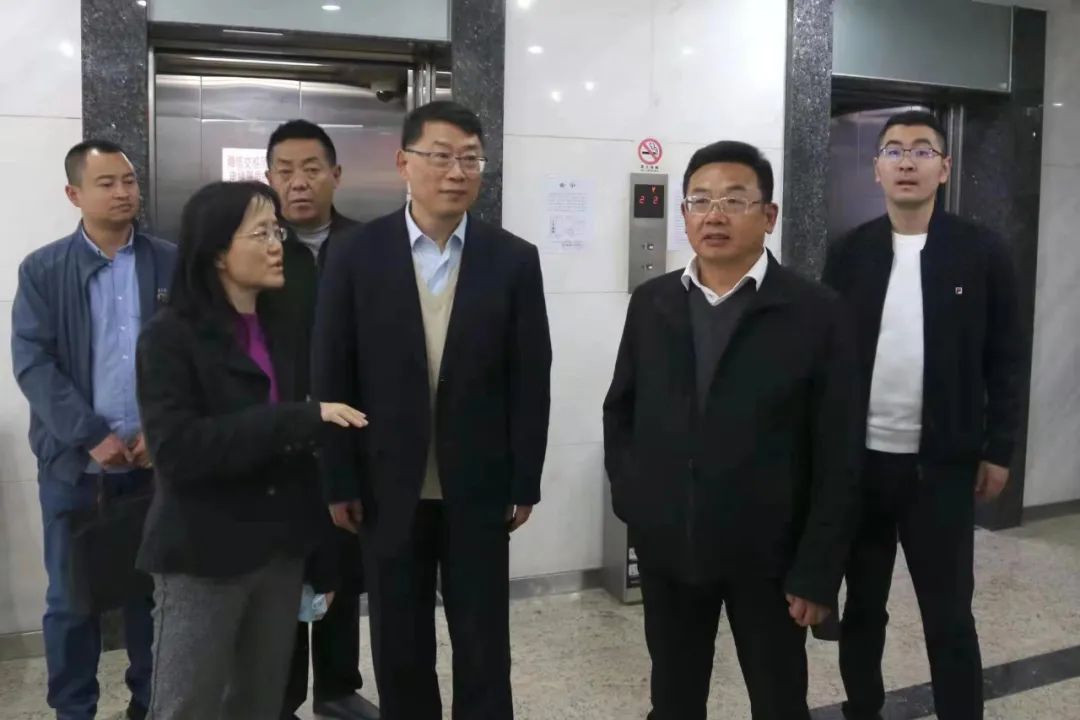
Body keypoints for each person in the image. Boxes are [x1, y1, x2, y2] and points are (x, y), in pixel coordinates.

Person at [603, 141, 861, 720]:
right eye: (700, 201)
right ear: (684, 214)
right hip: (671, 546)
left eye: (734, 200)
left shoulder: (816, 312)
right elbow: (620, 410)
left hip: (770, 556)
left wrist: (818, 569)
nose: (714, 215)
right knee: (674, 697)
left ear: (769, 215)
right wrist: (635, 501)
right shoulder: (654, 303)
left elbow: (839, 451)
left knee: (778, 699)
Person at [312, 100, 552, 720]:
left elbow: (531, 377)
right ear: (403, 163)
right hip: (384, 484)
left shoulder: (513, 258)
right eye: (441, 156)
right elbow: (331, 374)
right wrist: (338, 478)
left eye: (471, 159)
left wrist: (525, 479)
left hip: (479, 483)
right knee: (399, 640)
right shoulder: (355, 254)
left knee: (483, 639)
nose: (457, 172)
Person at [133, 181, 368, 720]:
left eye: (277, 232)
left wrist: (322, 557)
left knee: (260, 703)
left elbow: (300, 455)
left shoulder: (281, 329)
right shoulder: (170, 337)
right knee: (188, 706)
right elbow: (178, 451)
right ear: (218, 251)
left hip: (278, 554)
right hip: (203, 557)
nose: (276, 245)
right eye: (260, 233)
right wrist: (298, 418)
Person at [823, 110, 1021, 720]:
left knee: (949, 613)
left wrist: (998, 448)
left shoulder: (981, 251)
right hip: (863, 465)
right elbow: (827, 362)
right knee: (863, 608)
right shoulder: (850, 252)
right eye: (893, 150)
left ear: (945, 167)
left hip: (942, 467)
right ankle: (863, 708)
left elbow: (1006, 358)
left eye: (921, 150)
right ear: (877, 168)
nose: (906, 162)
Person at [11, 140, 175, 720]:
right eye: (106, 183)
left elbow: (189, 353)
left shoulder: (169, 262)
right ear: (73, 194)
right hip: (75, 469)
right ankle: (74, 709)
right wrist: (89, 434)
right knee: (72, 601)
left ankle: (151, 704)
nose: (123, 192)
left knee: (153, 598)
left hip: (154, 467)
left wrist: (161, 427)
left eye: (128, 181)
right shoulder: (43, 270)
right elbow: (34, 363)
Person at [262, 119, 374, 720]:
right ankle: (280, 695)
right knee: (281, 573)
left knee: (341, 563)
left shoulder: (370, 245)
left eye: (311, 169)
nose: (298, 182)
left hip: (347, 432)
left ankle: (337, 686)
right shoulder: (256, 249)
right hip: (276, 438)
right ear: (269, 178)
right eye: (284, 171)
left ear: (336, 174)